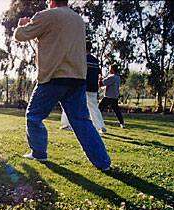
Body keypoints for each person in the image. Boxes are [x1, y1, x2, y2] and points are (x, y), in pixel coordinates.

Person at [14, 0, 111, 170]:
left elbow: (20, 36)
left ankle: (39, 153)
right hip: (77, 78)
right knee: (81, 121)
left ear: (51, 1)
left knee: (34, 115)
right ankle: (103, 163)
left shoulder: (46, 15)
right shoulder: (78, 20)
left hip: (54, 76)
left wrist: (22, 25)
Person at [61, 41, 107, 134]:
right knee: (94, 107)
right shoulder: (95, 60)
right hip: (93, 87)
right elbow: (99, 74)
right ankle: (100, 127)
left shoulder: (81, 59)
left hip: (81, 85)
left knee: (70, 103)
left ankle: (66, 124)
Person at [98, 64, 125, 128]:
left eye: (110, 68)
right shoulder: (118, 77)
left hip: (108, 97)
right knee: (117, 111)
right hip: (115, 97)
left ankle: (97, 122)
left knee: (98, 109)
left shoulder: (111, 77)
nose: (109, 70)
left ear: (112, 69)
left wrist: (99, 78)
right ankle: (122, 123)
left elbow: (101, 84)